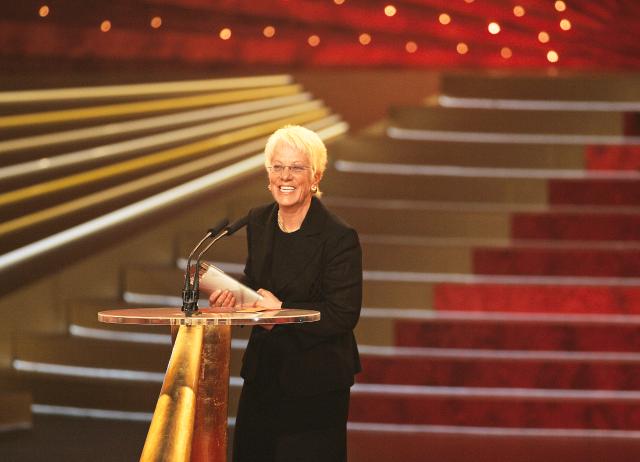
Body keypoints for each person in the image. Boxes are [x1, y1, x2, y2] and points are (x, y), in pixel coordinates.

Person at [209, 125, 362, 462]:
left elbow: (343, 313)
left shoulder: (338, 236)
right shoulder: (259, 221)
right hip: (264, 375)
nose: (285, 176)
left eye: (296, 167)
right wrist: (234, 299)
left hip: (316, 382)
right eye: (277, 166)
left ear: (316, 176)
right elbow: (255, 282)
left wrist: (281, 310)